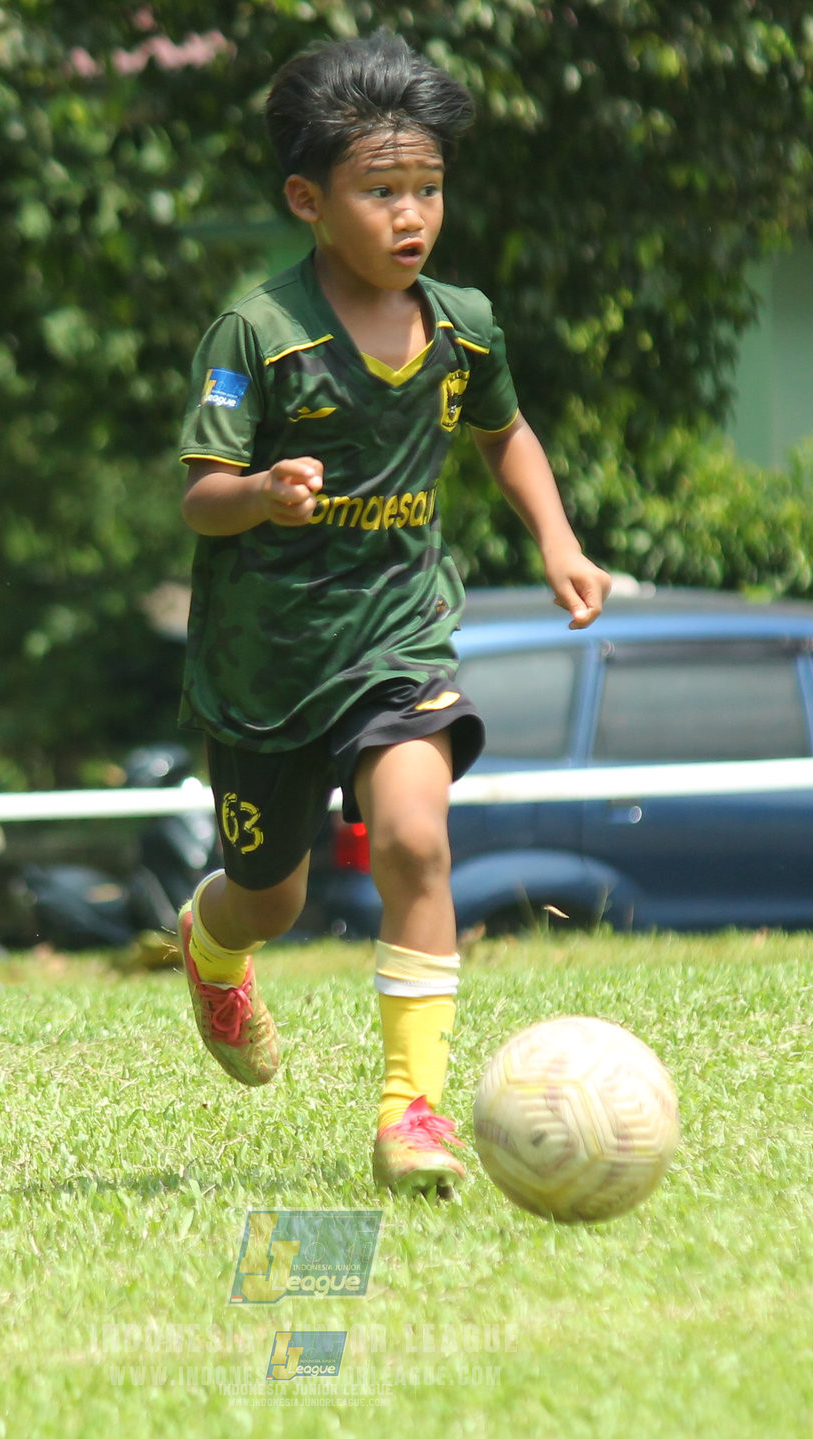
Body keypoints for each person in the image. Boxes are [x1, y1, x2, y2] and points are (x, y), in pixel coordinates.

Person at [171, 33, 611, 1198]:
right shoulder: (259, 336)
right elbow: (198, 497)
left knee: (415, 839)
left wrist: (556, 541)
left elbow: (502, 430)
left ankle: (409, 1111)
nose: (411, 213)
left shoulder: (461, 324)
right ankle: (211, 947)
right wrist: (261, 493)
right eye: (380, 191)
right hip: (263, 662)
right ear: (308, 200)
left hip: (398, 639)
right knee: (270, 894)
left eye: (426, 188)